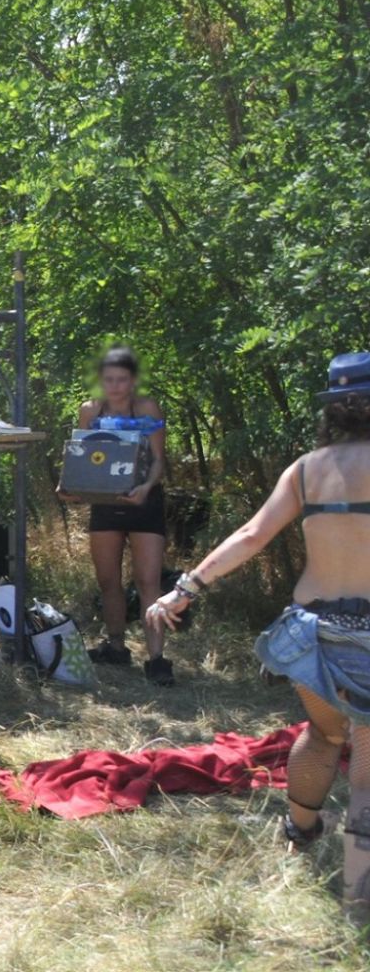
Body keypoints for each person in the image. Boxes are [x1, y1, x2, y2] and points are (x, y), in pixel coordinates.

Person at [147, 352, 370, 920]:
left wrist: (186, 587)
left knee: (323, 736)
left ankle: (298, 836)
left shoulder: (305, 469)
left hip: (315, 632)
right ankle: (358, 902)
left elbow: (251, 535)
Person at [60, 346, 172, 683]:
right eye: (108, 379)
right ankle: (116, 646)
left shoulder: (147, 407)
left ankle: (157, 659)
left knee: (148, 581)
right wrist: (70, 486)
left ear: (133, 380)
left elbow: (158, 459)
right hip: (105, 505)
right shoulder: (89, 411)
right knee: (108, 580)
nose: (115, 386)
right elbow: (80, 455)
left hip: (144, 503)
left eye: (121, 379)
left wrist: (147, 487)